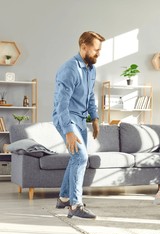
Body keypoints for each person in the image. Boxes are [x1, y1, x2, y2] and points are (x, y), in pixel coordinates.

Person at [53, 31, 105, 219]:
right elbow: (62, 105)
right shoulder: (70, 69)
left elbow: (90, 95)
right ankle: (75, 205)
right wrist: (68, 131)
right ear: (84, 46)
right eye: (96, 50)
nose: (98, 53)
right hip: (66, 117)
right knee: (81, 157)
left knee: (76, 158)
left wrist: (95, 119)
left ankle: (64, 198)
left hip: (81, 119)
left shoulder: (91, 69)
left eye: (100, 50)